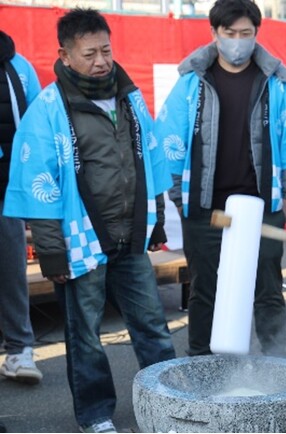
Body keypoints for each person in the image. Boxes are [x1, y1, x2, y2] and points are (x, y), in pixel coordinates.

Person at [3, 8, 176, 433]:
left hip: (130, 235)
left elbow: (150, 160)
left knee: (153, 327)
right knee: (85, 336)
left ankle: (169, 407)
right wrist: (50, 251)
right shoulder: (48, 108)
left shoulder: (129, 96)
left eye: (106, 50)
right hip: (79, 240)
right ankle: (96, 415)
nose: (101, 61)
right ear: (64, 55)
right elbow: (40, 183)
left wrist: (155, 220)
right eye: (89, 54)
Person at [155, 0, 286, 357]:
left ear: (257, 33)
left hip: (263, 206)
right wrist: (180, 198)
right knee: (204, 291)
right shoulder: (192, 81)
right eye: (230, 33)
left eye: (246, 33)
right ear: (214, 32)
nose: (238, 41)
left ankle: (274, 366)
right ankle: (200, 364)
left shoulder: (278, 82)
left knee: (267, 290)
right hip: (204, 208)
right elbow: (169, 142)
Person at [0, 30, 42, 385]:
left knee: (11, 271)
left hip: (6, 190)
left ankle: (19, 350)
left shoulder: (19, 66)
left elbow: (37, 126)